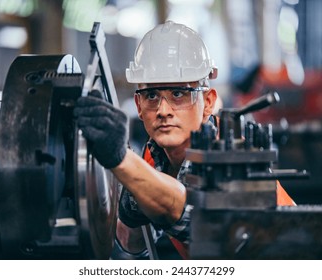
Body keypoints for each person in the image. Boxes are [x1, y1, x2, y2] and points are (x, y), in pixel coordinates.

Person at [74, 20, 295, 260]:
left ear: (208, 102)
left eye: (178, 94)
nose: (163, 110)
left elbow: (189, 214)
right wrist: (129, 214)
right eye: (151, 95)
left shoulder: (230, 154)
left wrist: (123, 161)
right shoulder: (153, 156)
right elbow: (132, 247)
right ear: (138, 105)